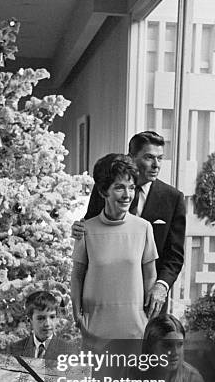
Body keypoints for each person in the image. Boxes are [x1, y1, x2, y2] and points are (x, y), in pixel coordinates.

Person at [71, 154, 158, 382]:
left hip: (132, 327)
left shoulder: (143, 228)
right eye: (120, 187)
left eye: (131, 187)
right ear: (103, 191)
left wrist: (146, 317)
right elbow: (78, 275)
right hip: (97, 326)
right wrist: (76, 311)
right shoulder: (87, 230)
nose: (127, 194)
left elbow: (149, 274)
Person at [72, 131, 186, 316]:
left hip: (149, 300)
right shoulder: (104, 189)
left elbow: (175, 255)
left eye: (160, 158)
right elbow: (91, 228)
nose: (156, 165)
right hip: (104, 299)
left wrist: (161, 286)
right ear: (131, 157)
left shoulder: (173, 198)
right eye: (149, 157)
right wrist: (77, 228)